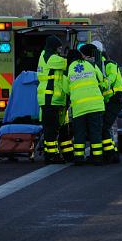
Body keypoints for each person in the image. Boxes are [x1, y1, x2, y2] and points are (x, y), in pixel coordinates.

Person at [61, 43, 106, 165]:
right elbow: (101, 78)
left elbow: (65, 90)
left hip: (79, 108)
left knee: (79, 133)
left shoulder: (68, 70)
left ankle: (79, 158)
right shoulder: (91, 64)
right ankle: (97, 158)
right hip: (96, 105)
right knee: (95, 132)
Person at [37, 35, 68, 163]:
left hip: (52, 100)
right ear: (53, 47)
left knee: (55, 128)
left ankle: (55, 154)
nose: (60, 50)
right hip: (50, 99)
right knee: (51, 129)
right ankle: (51, 155)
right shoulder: (50, 58)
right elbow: (67, 64)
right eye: (58, 47)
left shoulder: (46, 55)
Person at [92, 40, 122, 163]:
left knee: (104, 127)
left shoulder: (109, 64)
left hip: (115, 99)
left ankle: (110, 153)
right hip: (108, 101)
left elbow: (111, 77)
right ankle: (112, 153)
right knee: (106, 128)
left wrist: (101, 85)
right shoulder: (97, 65)